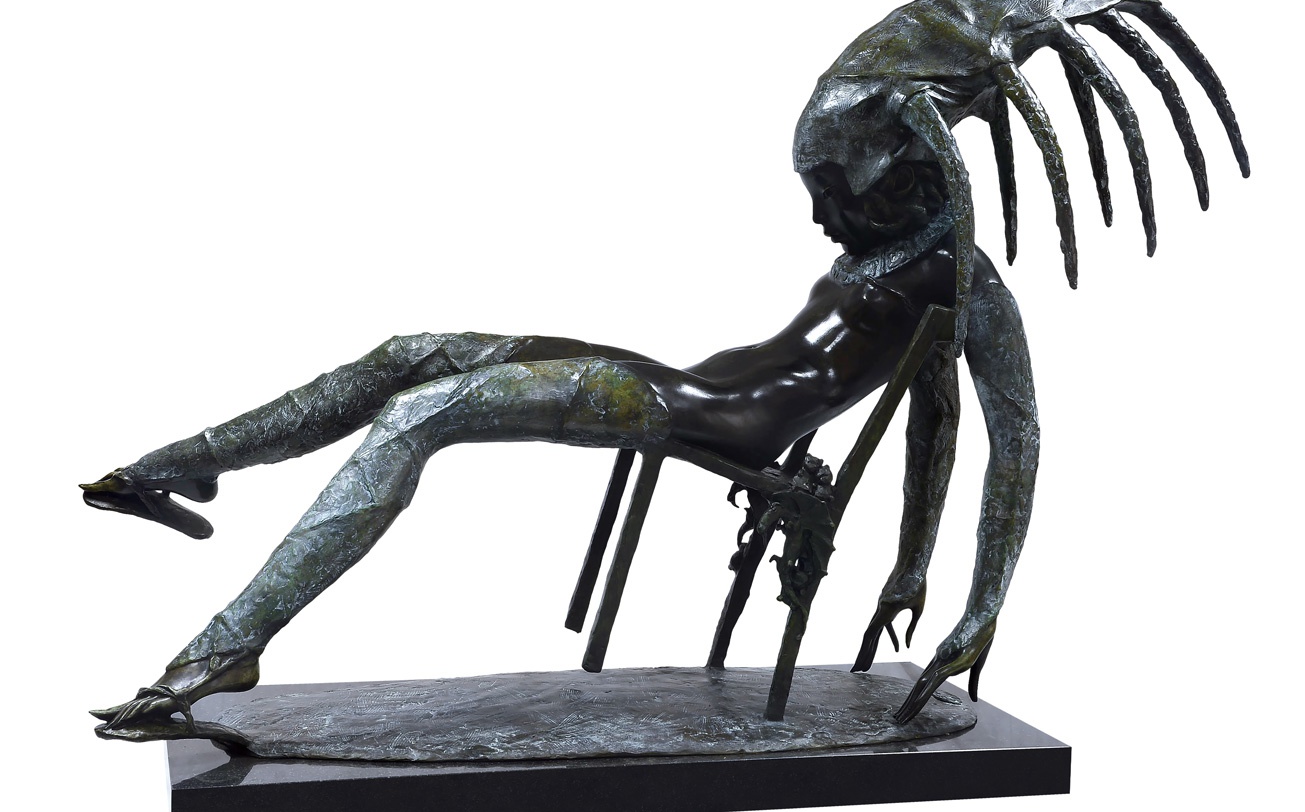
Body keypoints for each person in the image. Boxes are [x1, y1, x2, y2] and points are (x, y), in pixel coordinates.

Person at [87, 161, 1037, 733]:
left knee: (422, 413)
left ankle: (226, 649)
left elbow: (996, 436)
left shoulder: (966, 286)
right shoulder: (882, 247)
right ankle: (173, 468)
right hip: (680, 380)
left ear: (903, 183)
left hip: (715, 417)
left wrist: (969, 600)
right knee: (412, 351)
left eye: (836, 195)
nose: (821, 218)